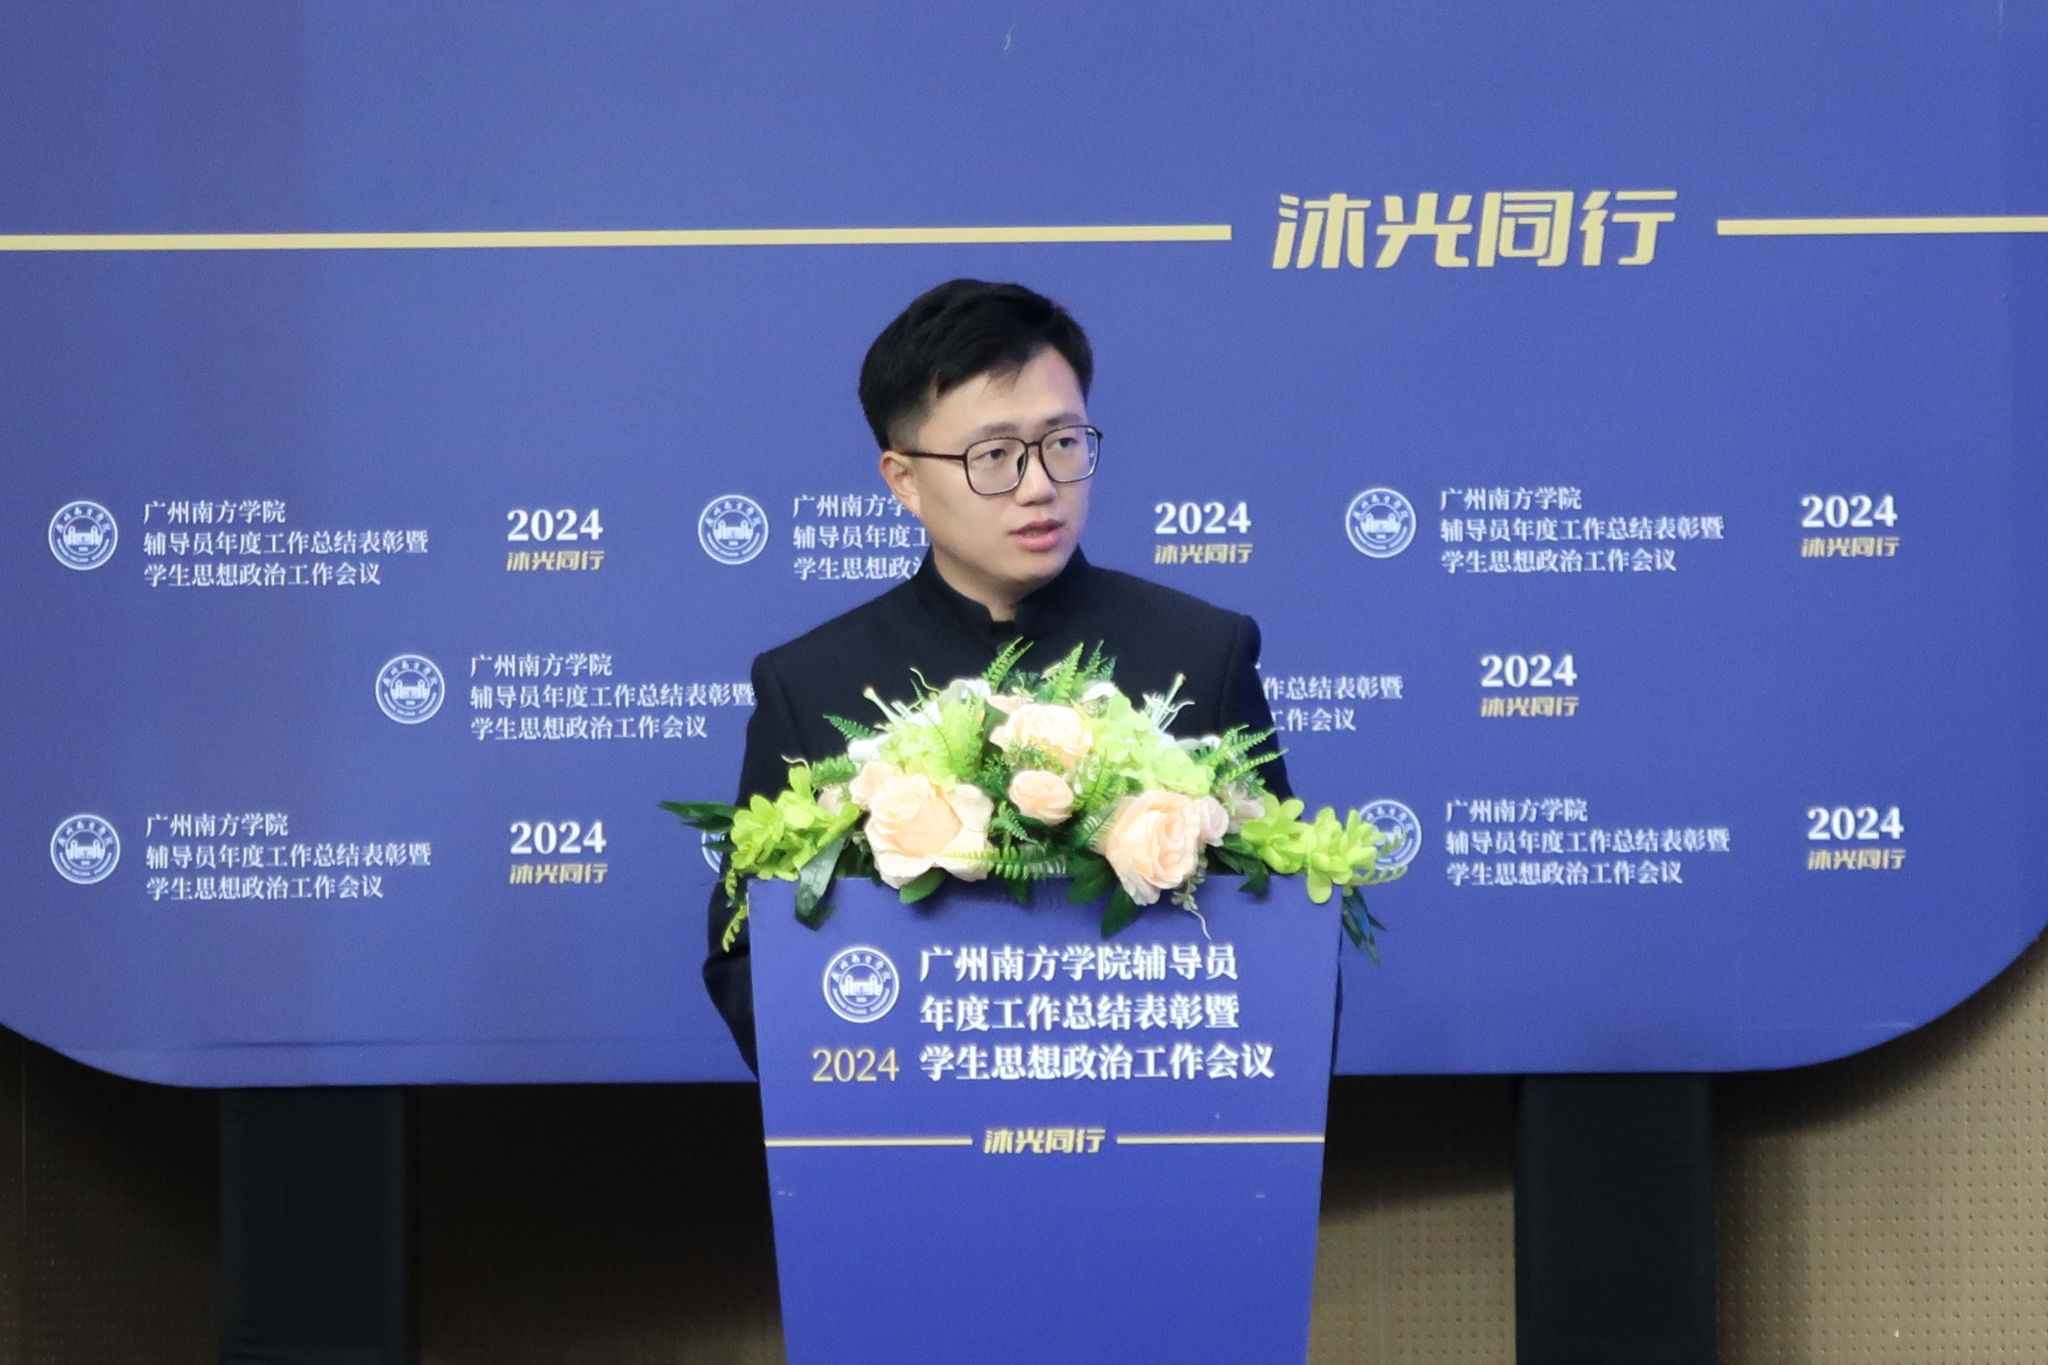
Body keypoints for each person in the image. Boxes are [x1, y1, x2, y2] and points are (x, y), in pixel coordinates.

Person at [701, 278, 1294, 1077]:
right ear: (904, 479)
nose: (1039, 484)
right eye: (994, 456)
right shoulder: (811, 682)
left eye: (1063, 442)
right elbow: (748, 953)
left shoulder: (1200, 652)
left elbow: (1283, 933)